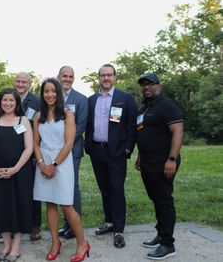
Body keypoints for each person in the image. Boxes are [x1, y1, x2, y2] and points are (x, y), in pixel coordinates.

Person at [33, 78, 90, 262]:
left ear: (58, 93)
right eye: (46, 91)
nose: (50, 94)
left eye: (53, 91)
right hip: (43, 162)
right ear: (42, 94)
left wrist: (54, 165)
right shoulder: (37, 116)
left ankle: (82, 243)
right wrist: (42, 164)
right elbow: (35, 143)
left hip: (62, 163)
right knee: (50, 204)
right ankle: (55, 242)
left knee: (66, 204)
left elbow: (69, 143)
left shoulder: (68, 114)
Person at [84, 64, 137, 248]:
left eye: (109, 75)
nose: (106, 78)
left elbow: (133, 125)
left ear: (114, 77)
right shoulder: (90, 100)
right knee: (104, 188)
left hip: (117, 152)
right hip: (97, 151)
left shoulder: (125, 98)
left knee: (116, 189)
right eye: (102, 75)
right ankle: (109, 222)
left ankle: (119, 230)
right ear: (98, 78)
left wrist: (128, 149)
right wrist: (89, 146)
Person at [135, 73, 184, 260]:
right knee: (156, 199)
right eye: (143, 85)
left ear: (159, 86)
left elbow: (178, 131)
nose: (146, 87)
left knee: (164, 200)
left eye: (150, 84)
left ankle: (168, 244)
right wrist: (140, 156)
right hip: (147, 161)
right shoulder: (144, 109)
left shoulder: (167, 105)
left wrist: (172, 158)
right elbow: (143, 134)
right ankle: (160, 233)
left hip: (164, 161)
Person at [0, 88, 34, 262]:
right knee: (1, 207)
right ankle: (6, 246)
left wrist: (15, 168)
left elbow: (29, 148)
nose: (8, 103)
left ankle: (16, 247)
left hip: (20, 172)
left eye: (11, 100)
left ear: (16, 102)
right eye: (4, 100)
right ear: (0, 102)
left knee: (19, 206)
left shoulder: (24, 120)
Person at [56, 66, 88, 240]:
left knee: (72, 187)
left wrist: (63, 144)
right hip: (52, 152)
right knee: (59, 187)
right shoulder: (51, 96)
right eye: (64, 76)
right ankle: (67, 224)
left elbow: (81, 126)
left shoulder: (81, 99)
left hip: (72, 151)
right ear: (58, 77)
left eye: (71, 77)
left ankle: (75, 227)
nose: (67, 79)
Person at [13, 72, 42, 241]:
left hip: (31, 151)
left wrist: (36, 153)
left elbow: (41, 126)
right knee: (15, 188)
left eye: (24, 81)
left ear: (30, 83)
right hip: (11, 149)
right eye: (18, 81)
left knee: (33, 190)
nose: (20, 84)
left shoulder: (37, 101)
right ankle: (16, 222)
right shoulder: (9, 97)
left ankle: (35, 225)